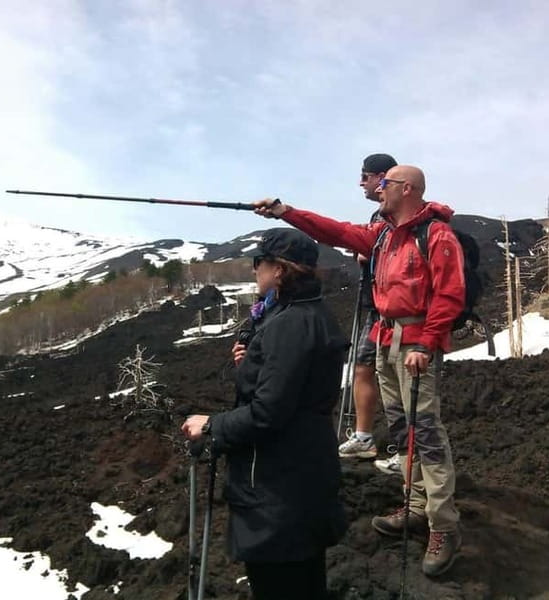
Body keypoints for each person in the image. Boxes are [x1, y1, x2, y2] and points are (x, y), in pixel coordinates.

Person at [253, 165, 463, 577]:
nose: (377, 190)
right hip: (387, 340)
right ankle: (417, 505)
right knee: (403, 429)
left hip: (414, 342)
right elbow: (334, 231)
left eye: (384, 184)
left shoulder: (437, 235)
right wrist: (285, 211)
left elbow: (450, 293)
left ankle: (444, 526)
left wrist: (425, 342)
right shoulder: (382, 233)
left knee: (427, 432)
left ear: (406, 189)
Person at [181, 228, 348, 599]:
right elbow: (289, 388)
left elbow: (268, 412)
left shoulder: (289, 324)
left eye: (260, 263)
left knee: (281, 584)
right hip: (303, 474)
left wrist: (211, 425)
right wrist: (250, 364)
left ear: (279, 270)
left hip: (279, 489)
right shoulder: (305, 313)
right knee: (306, 581)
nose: (255, 270)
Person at [338, 153, 407, 479]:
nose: (360, 182)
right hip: (379, 309)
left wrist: (366, 256)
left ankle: (404, 451)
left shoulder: (389, 217)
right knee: (368, 368)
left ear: (382, 177)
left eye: (365, 176)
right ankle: (375, 440)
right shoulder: (385, 216)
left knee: (389, 376)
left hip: (387, 312)